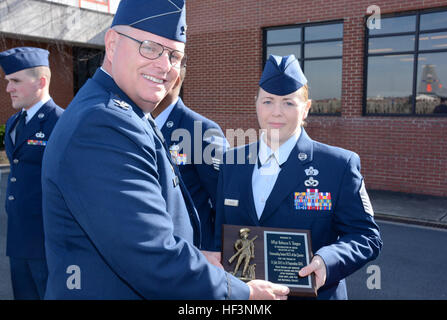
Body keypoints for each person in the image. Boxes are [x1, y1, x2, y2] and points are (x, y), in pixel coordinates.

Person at [41, 0, 288, 300]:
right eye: (150, 47)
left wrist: (199, 257)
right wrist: (240, 293)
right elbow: (150, 254)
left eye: (174, 55)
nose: (165, 66)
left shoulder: (127, 112)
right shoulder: (103, 124)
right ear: (112, 43)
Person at [214, 54, 383, 300]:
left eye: (289, 103)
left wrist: (327, 261)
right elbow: (219, 230)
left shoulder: (338, 165)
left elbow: (367, 236)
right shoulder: (232, 161)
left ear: (306, 108)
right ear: (256, 103)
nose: (276, 113)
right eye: (268, 101)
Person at [0, 47, 64, 299]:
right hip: (18, 240)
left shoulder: (61, 123)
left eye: (15, 81)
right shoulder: (15, 123)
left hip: (48, 243)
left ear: (41, 82)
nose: (8, 89)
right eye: (7, 82)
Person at [152, 61, 228, 251]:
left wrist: (213, 252)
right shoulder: (138, 124)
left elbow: (223, 200)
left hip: (192, 251)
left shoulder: (202, 130)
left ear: (176, 80)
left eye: (157, 79)